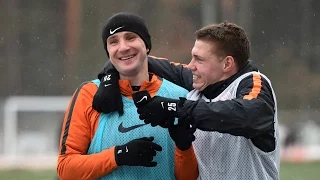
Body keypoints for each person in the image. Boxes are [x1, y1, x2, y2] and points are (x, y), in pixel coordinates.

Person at [96, 22, 280, 180]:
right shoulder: (198, 79)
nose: (190, 65)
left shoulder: (254, 82)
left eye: (199, 59)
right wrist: (108, 77)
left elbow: (248, 115)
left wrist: (176, 107)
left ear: (227, 64)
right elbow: (133, 58)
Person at [57, 12, 197, 180]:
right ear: (108, 52)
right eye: (113, 42)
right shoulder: (88, 94)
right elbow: (66, 170)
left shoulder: (180, 95)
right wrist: (118, 156)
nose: (123, 47)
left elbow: (190, 177)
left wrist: (184, 148)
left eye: (130, 37)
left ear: (146, 45)